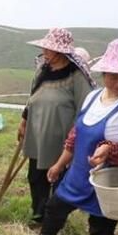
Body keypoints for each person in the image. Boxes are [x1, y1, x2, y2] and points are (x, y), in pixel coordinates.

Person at [40, 39, 118, 235]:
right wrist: (59, 164)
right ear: (105, 72)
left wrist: (108, 150)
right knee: (54, 207)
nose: (116, 81)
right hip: (78, 174)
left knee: (101, 231)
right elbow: (76, 135)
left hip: (106, 183)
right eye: (113, 75)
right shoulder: (93, 98)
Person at [19, 28, 96, 224]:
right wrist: (24, 120)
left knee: (56, 178)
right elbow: (32, 97)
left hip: (61, 140)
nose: (44, 51)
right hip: (37, 134)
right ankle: (38, 213)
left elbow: (85, 109)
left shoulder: (76, 76)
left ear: (60, 51)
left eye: (49, 48)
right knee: (35, 176)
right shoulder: (43, 70)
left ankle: (52, 221)